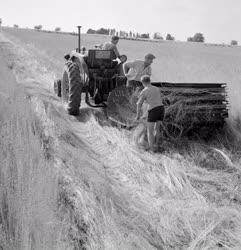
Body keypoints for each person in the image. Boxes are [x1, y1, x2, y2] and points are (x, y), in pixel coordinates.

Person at [135, 75, 164, 152]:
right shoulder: (157, 89)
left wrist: (138, 116)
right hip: (161, 108)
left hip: (153, 110)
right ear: (150, 81)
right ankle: (156, 145)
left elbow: (138, 104)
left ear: (143, 82)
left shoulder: (144, 91)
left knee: (149, 131)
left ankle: (152, 150)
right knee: (157, 128)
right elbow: (156, 99)